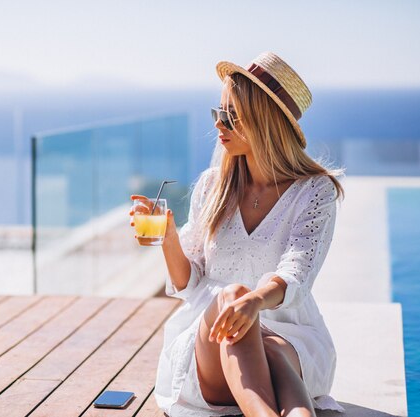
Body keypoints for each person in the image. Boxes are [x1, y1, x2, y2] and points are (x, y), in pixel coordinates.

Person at [130, 52, 347, 417]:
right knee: (234, 299)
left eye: (231, 116)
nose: (219, 126)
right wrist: (168, 236)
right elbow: (189, 284)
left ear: (264, 122)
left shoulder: (315, 192)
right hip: (211, 341)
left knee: (269, 343)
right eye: (217, 113)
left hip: (287, 337)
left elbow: (297, 272)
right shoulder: (213, 187)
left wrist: (255, 302)